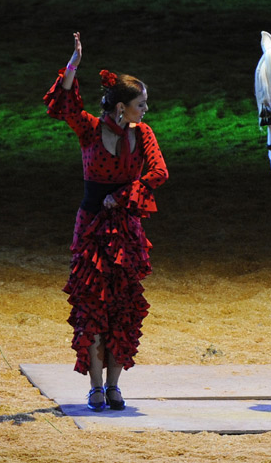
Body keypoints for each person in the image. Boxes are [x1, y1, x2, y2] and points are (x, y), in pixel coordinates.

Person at [44, 32, 168, 412]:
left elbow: (159, 173)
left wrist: (126, 195)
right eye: (140, 103)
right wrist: (73, 66)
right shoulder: (90, 130)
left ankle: (114, 386)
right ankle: (96, 387)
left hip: (125, 231)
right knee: (92, 306)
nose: (145, 109)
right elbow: (63, 105)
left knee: (122, 307)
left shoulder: (142, 134)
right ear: (121, 107)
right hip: (92, 228)